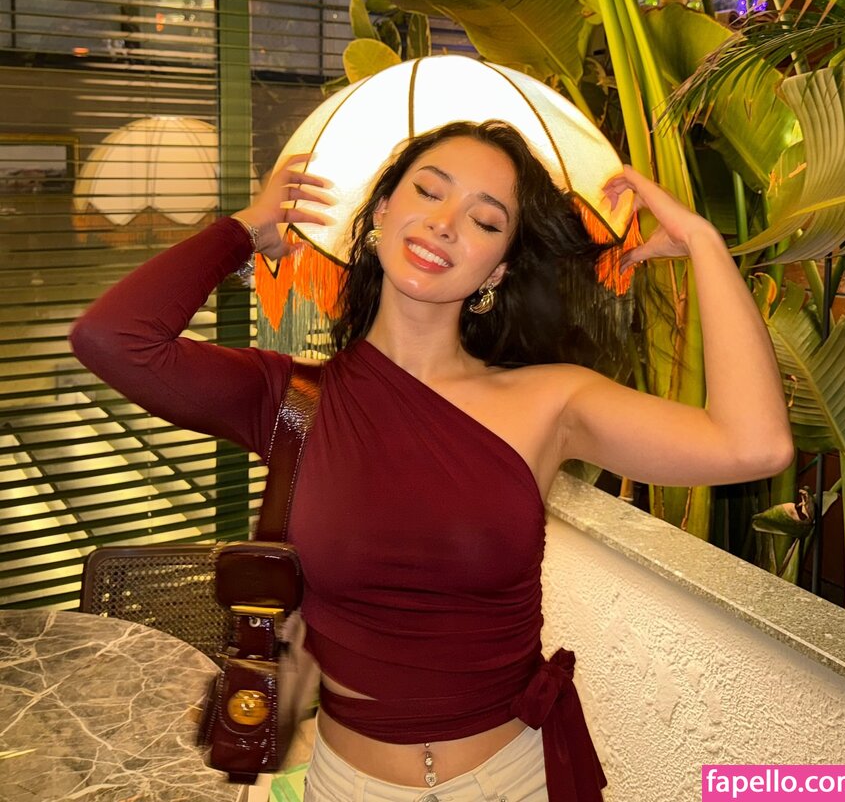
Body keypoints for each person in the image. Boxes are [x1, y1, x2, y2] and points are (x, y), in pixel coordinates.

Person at [69, 120, 793, 802]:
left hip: (511, 781)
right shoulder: (288, 399)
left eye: (485, 220)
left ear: (498, 269)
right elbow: (111, 339)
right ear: (382, 211)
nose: (447, 223)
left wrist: (703, 242)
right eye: (428, 190)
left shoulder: (552, 401)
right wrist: (243, 232)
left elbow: (753, 443)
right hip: (347, 785)